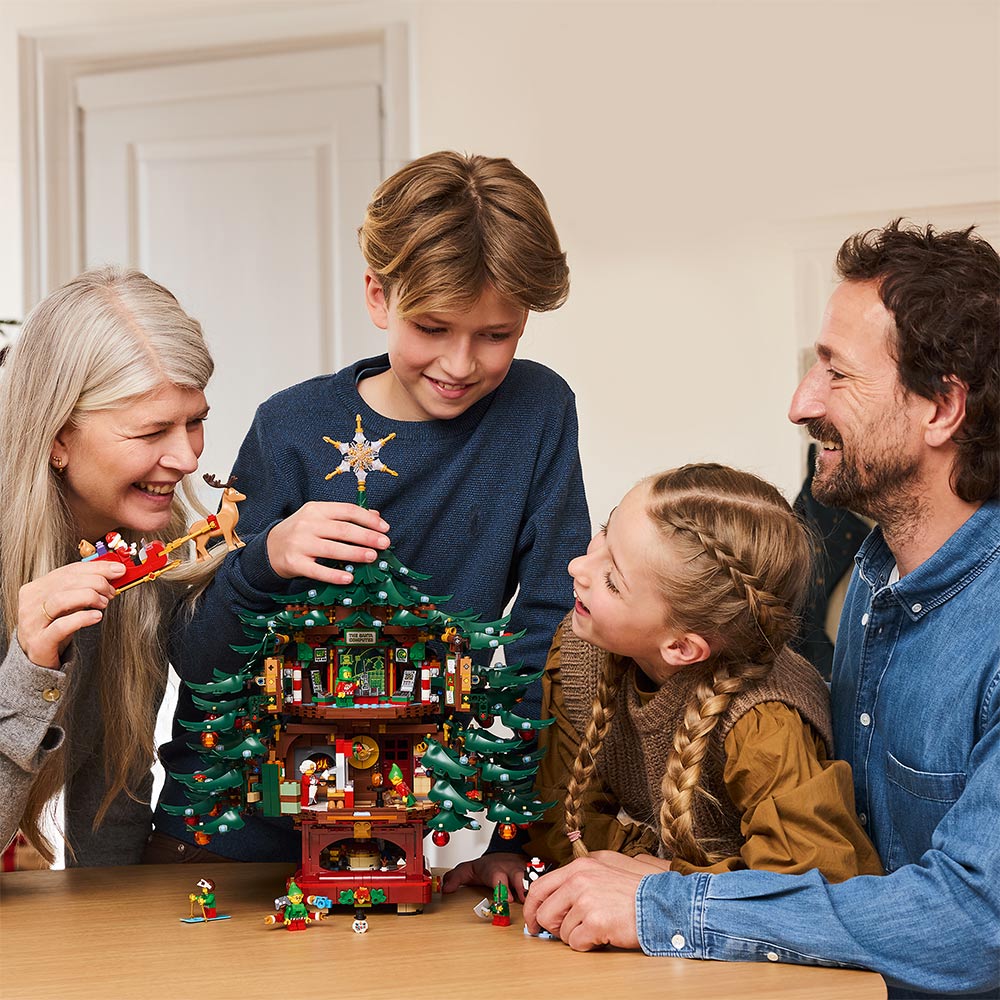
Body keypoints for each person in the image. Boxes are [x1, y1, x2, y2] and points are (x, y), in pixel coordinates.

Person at [521, 221, 1000, 1000]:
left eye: (837, 374)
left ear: (942, 408)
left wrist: (665, 901)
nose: (799, 404)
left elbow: (978, 926)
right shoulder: (874, 579)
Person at [151, 150, 591, 862]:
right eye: (432, 328)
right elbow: (197, 659)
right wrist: (264, 559)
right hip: (230, 835)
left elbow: (551, 630)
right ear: (379, 297)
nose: (460, 364)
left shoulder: (538, 412)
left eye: (496, 335)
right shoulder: (287, 427)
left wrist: (514, 833)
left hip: (419, 832)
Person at [445, 464, 881, 899]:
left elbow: (818, 889)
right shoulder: (580, 652)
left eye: (613, 581)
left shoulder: (765, 719)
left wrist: (671, 884)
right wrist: (637, 865)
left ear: (682, 647)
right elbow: (563, 818)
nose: (577, 565)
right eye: (604, 532)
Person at [0, 266, 217, 866]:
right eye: (151, 431)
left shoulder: (155, 538)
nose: (186, 457)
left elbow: (115, 786)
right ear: (57, 437)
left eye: (194, 420)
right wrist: (32, 666)